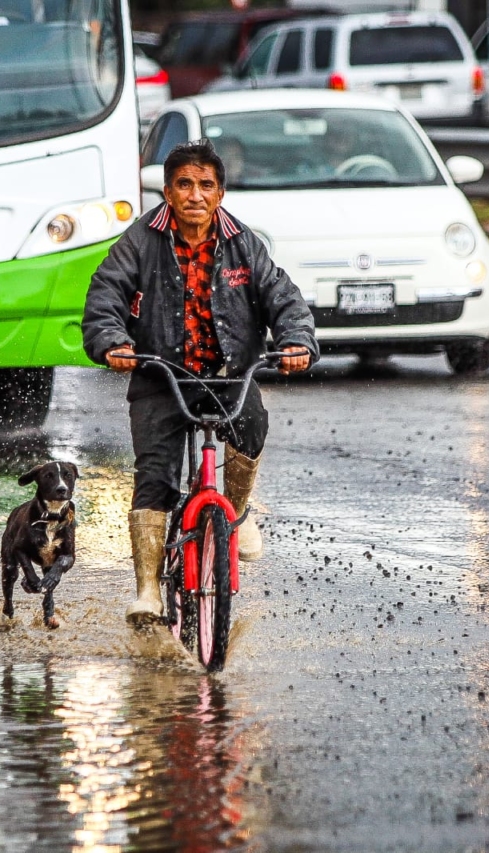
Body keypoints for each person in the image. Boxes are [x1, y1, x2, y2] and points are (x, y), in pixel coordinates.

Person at [82, 139, 318, 624]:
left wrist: (296, 339)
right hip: (158, 375)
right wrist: (111, 341)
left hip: (229, 374)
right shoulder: (141, 240)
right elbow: (105, 292)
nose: (195, 194)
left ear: (221, 193)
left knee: (252, 424)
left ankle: (234, 515)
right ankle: (147, 589)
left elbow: (283, 295)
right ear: (168, 192)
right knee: (155, 478)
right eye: (184, 185)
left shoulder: (243, 242)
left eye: (205, 185)